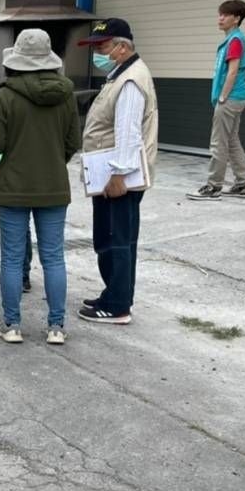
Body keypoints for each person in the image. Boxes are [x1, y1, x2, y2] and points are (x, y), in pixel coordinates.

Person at [0, 29, 82, 345]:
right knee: (53, 257)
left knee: (11, 258)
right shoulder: (66, 94)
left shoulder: (5, 95)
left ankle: (11, 325)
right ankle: (57, 326)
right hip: (53, 186)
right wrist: (52, 161)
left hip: (12, 187)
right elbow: (72, 142)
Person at [77, 18, 159, 324]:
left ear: (122, 47)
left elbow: (128, 131)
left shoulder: (130, 81)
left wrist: (119, 174)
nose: (97, 53)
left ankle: (117, 305)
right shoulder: (120, 75)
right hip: (110, 173)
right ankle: (113, 292)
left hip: (118, 177)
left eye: (102, 47)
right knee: (111, 237)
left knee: (117, 239)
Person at [189, 0, 245, 201]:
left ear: (237, 18)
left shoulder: (235, 40)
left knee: (218, 143)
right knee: (232, 140)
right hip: (237, 97)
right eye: (220, 14)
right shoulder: (232, 39)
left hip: (231, 98)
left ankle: (213, 186)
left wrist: (223, 97)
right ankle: (243, 185)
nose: (220, 18)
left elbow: (232, 71)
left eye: (225, 15)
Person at [0, 156, 33, 293]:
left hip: (17, 174)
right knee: (14, 227)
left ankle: (21, 275)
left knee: (17, 227)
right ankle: (17, 274)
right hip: (3, 172)